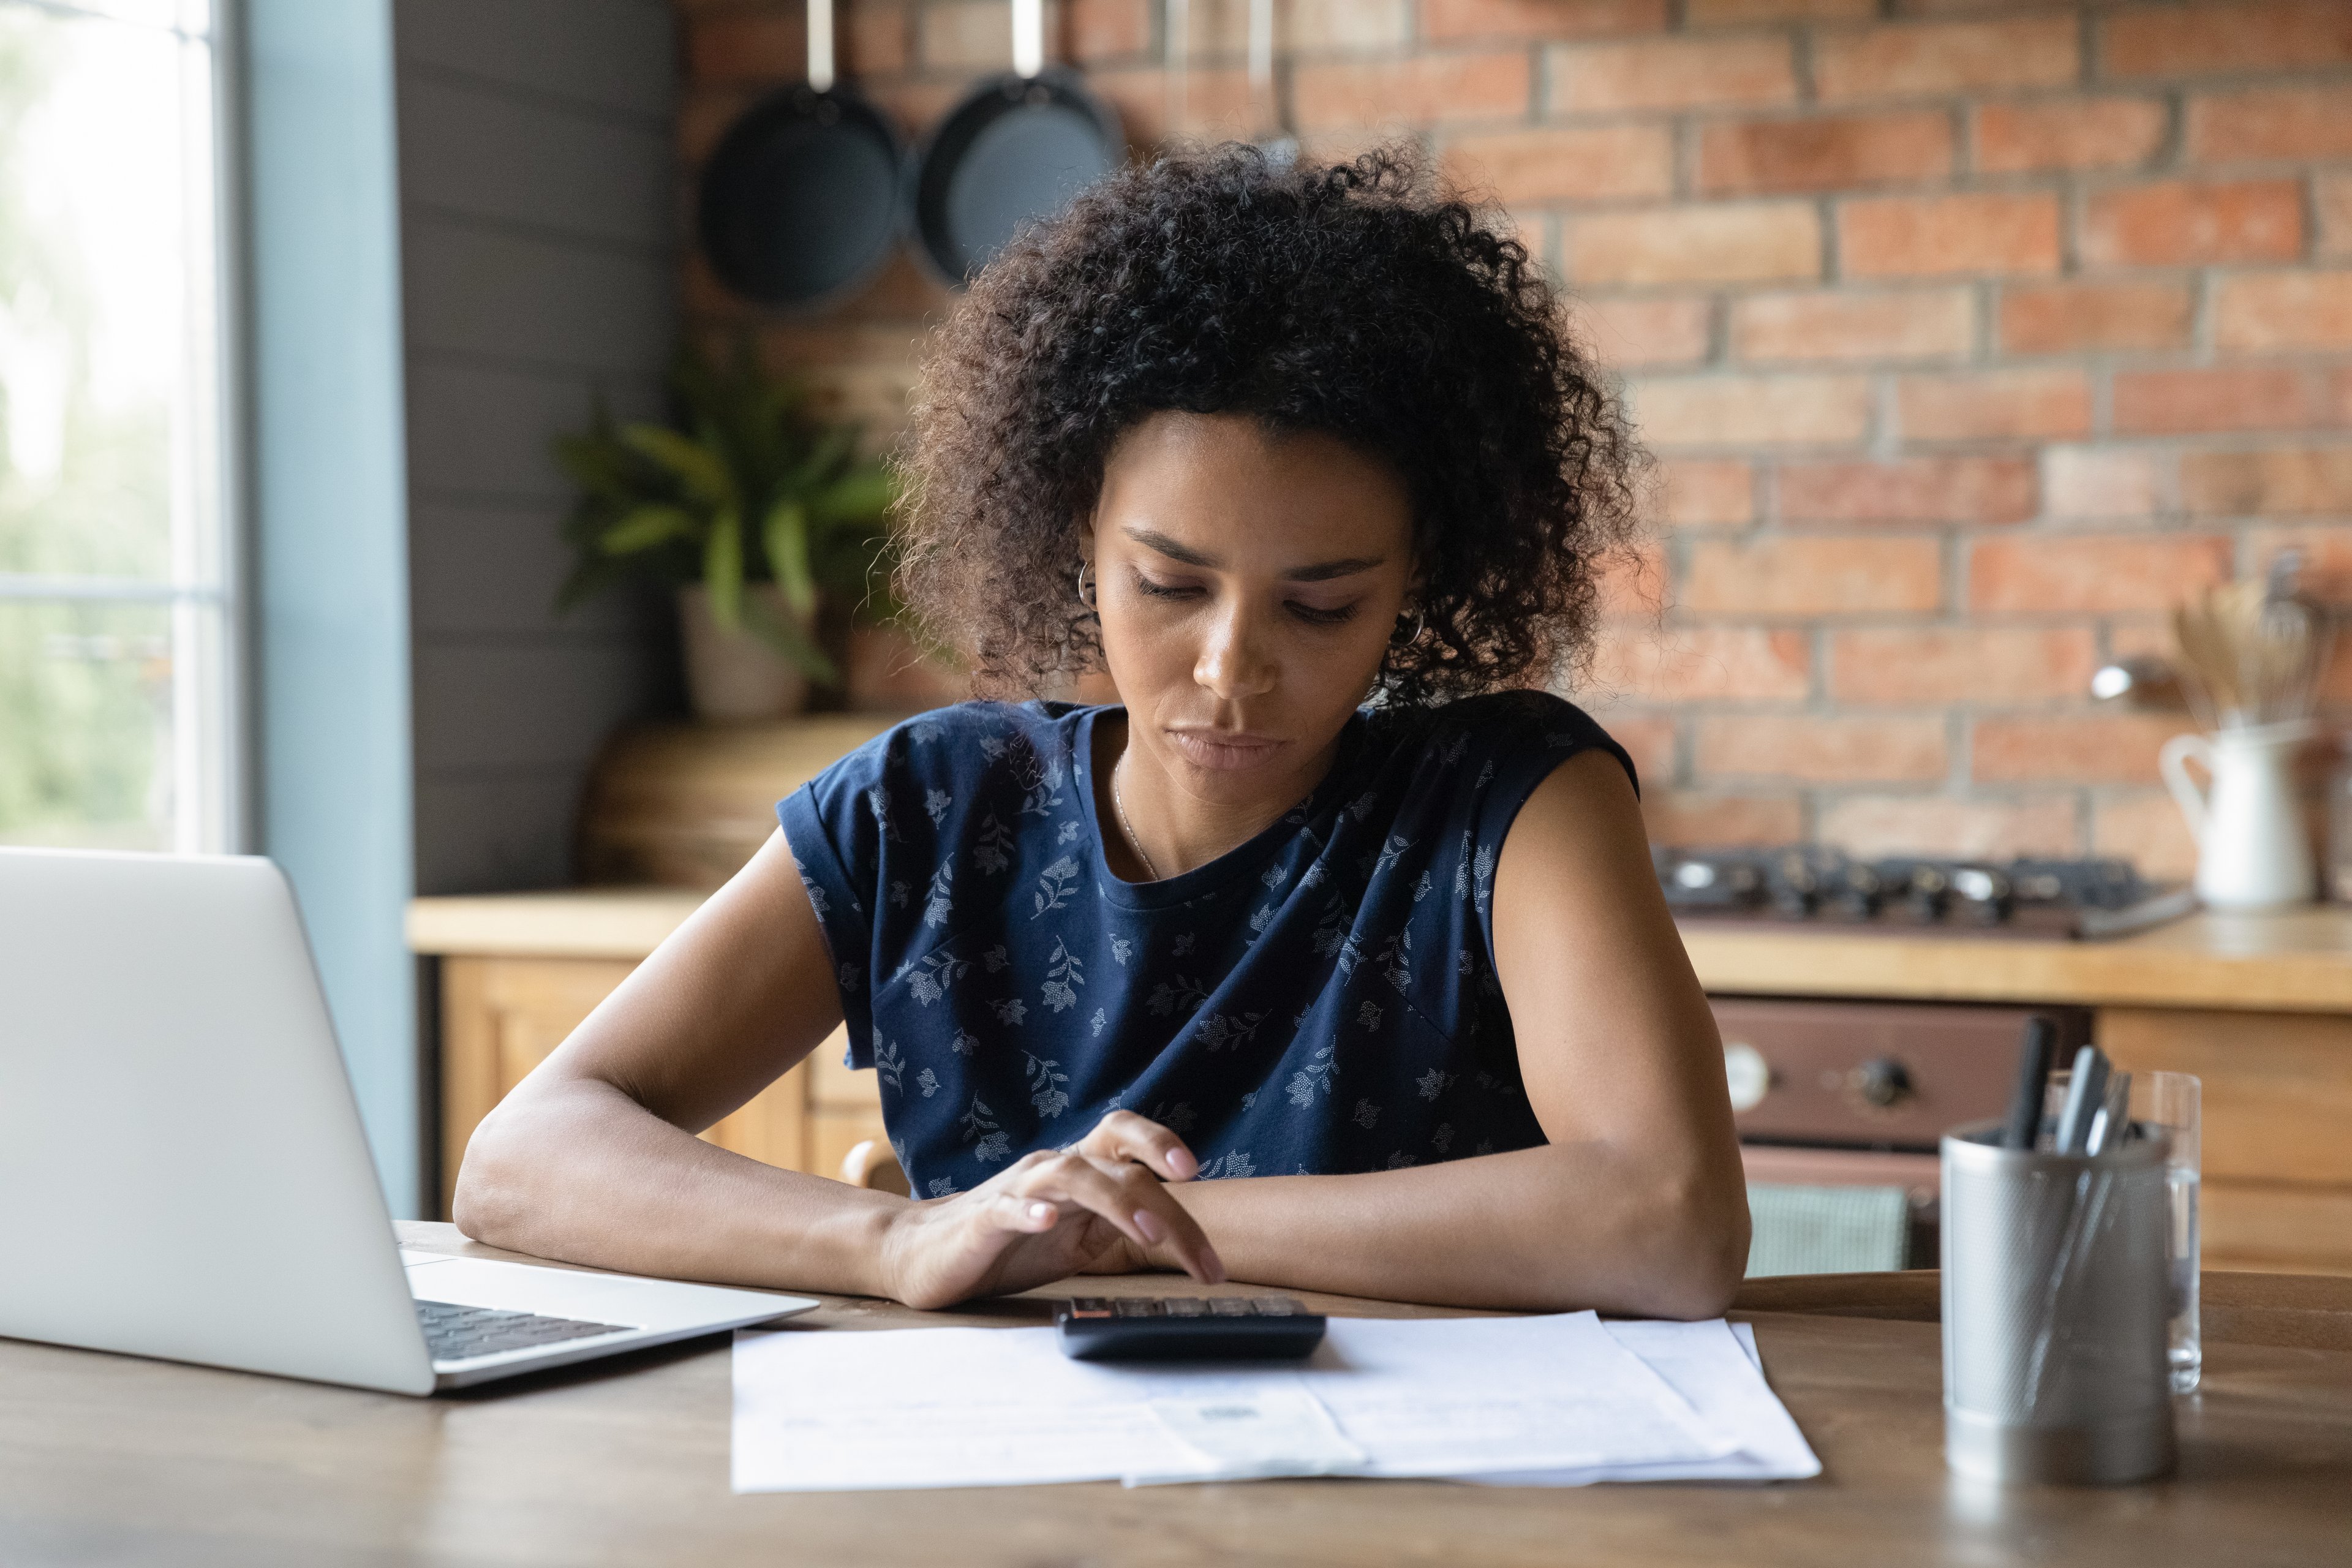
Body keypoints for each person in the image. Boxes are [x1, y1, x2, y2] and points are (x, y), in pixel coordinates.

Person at [457, 146, 1749, 1318]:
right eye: (1171, 585)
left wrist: (1136, 1229)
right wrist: (895, 1241)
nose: (1231, 665)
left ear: (1423, 577)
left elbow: (1670, 1221)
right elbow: (524, 1156)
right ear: (1079, 532)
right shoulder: (927, 809)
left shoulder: (1511, 804)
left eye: (1322, 602)